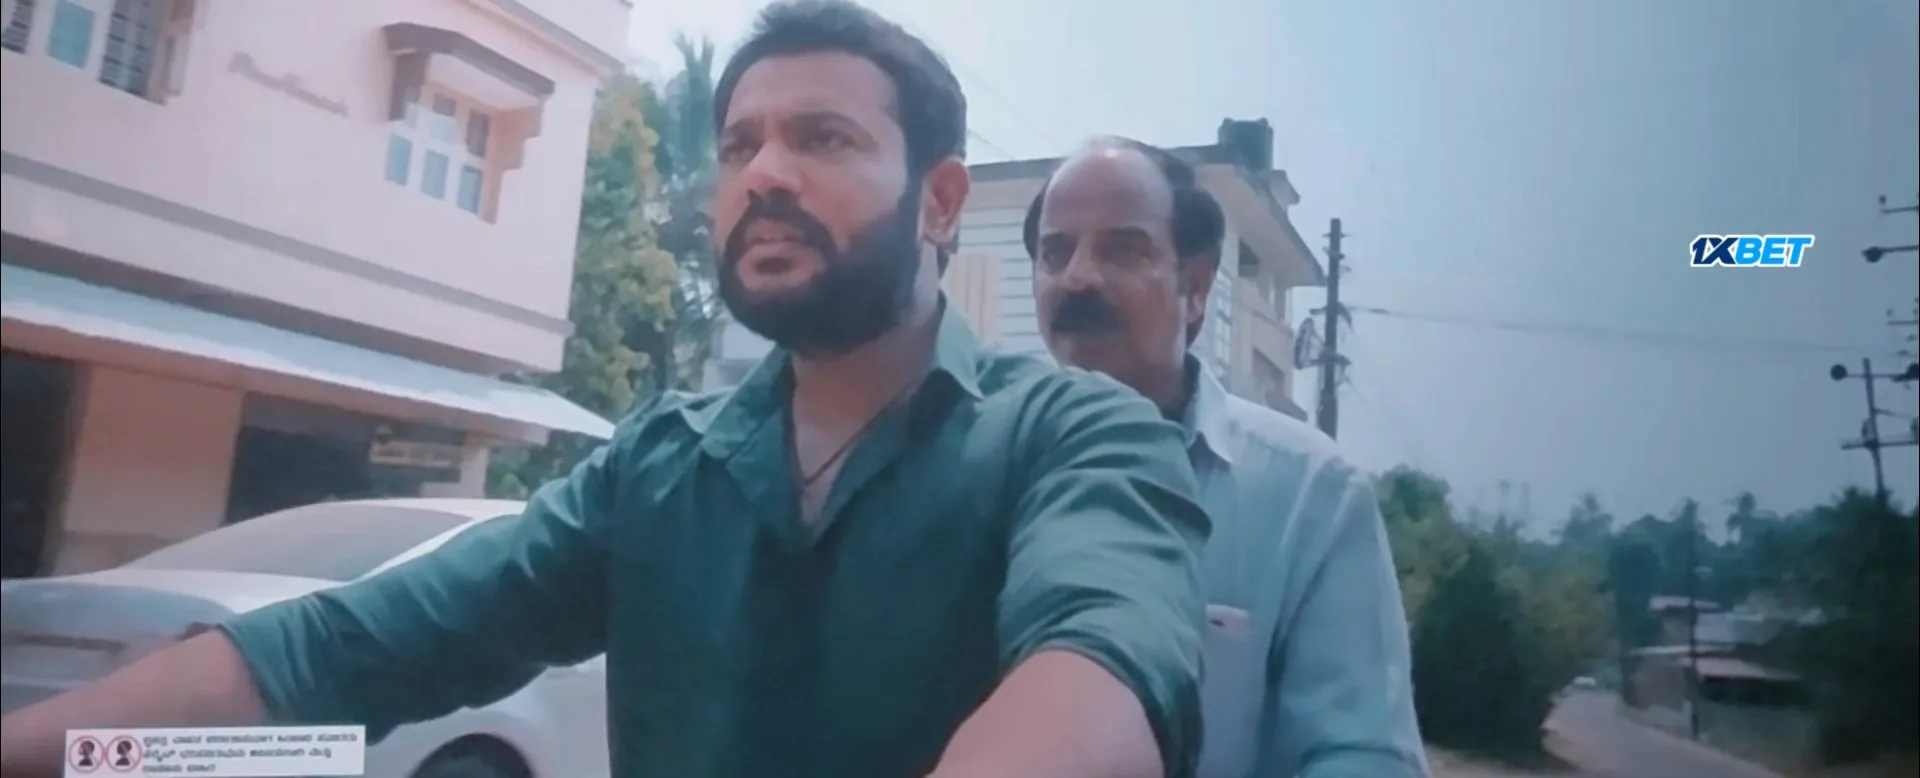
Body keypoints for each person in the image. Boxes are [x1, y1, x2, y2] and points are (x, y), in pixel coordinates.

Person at [0, 5, 1212, 778]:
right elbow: (333, 656)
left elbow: (1102, 669)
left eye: (824, 138)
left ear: (940, 201)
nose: (764, 173)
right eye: (738, 145)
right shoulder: (658, 468)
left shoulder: (1076, 435)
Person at [1024, 136, 1429, 778]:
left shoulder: (1309, 495)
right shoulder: (982, 469)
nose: (1078, 276)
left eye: (1123, 250)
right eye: (1055, 252)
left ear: (1194, 288)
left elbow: (1364, 755)